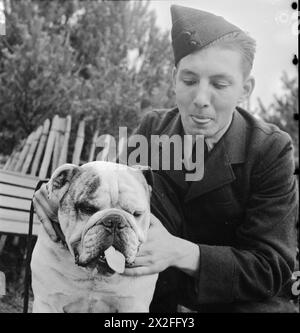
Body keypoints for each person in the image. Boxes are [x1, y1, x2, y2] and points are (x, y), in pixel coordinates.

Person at [33, 5, 298, 312]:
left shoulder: (270, 149)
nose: (201, 99)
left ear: (245, 90)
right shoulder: (152, 130)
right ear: (174, 79)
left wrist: (180, 252)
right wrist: (48, 192)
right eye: (189, 80)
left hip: (233, 297)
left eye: (220, 84)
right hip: (153, 291)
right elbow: (103, 190)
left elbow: (272, 266)